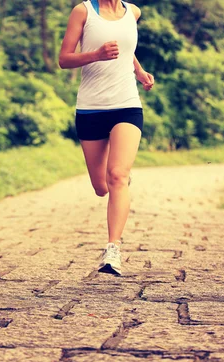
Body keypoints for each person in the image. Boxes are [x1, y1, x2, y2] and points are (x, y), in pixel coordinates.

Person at [59, 0, 154, 275]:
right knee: (102, 187)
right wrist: (96, 54)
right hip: (91, 108)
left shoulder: (132, 12)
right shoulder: (83, 12)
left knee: (116, 176)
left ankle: (112, 250)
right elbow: (64, 59)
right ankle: (118, 179)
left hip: (127, 104)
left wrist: (139, 71)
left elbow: (126, 49)